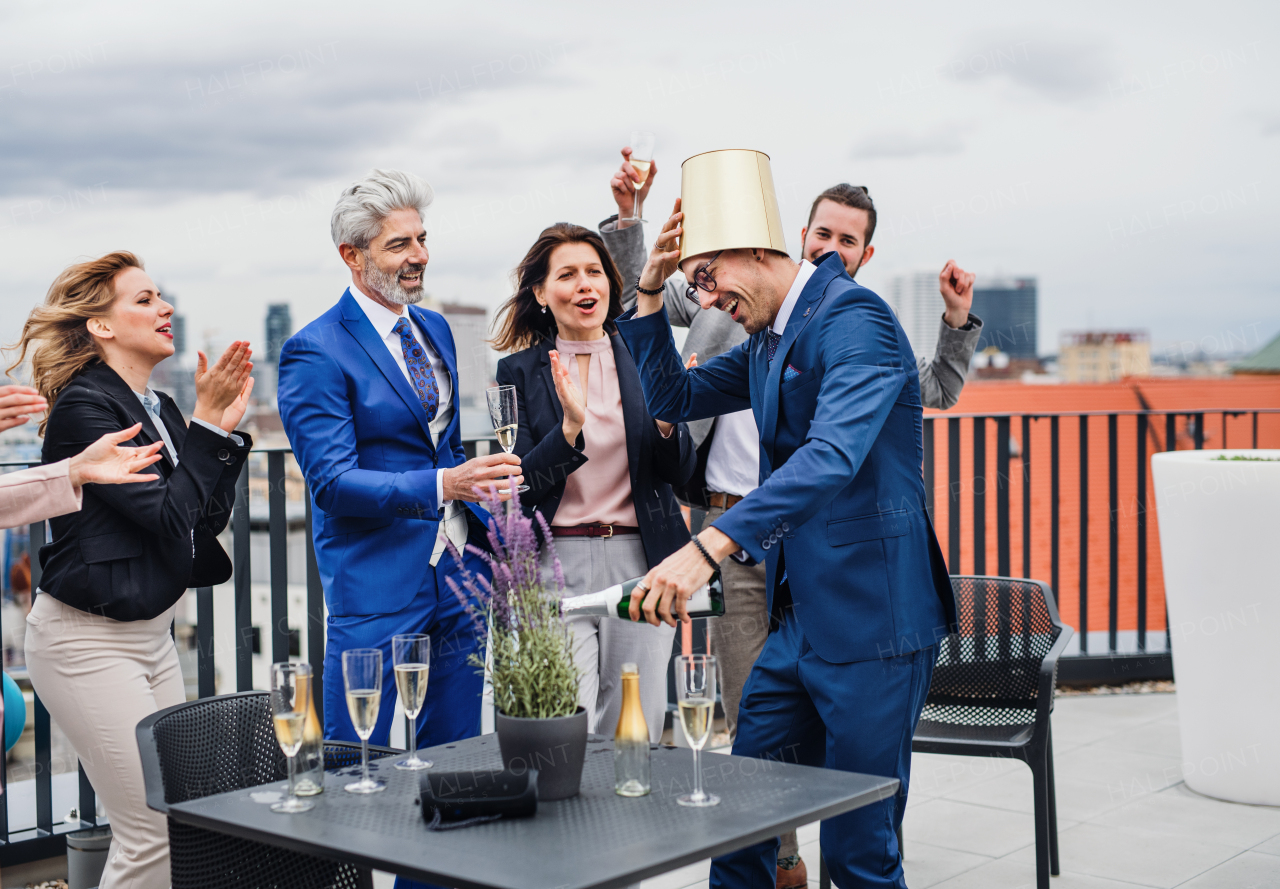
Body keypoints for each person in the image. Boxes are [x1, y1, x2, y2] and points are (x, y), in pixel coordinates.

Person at [603, 151, 979, 887]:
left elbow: (833, 454)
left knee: (856, 851)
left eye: (710, 277)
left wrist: (708, 544)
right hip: (799, 621)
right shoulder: (766, 339)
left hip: (875, 624)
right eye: (696, 283)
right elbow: (673, 396)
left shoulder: (857, 319)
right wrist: (650, 291)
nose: (707, 299)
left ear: (756, 246)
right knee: (739, 822)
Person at [15, 251, 253, 889]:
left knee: (176, 823)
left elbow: (203, 519)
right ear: (101, 326)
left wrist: (221, 436)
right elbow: (169, 519)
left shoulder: (160, 409)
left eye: (160, 297)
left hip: (152, 640)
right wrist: (204, 426)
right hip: (85, 644)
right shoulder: (85, 409)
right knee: (150, 833)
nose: (164, 307)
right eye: (144, 299)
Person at [277, 170, 522, 783]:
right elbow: (332, 483)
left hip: (460, 573)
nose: (419, 257)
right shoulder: (316, 350)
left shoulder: (434, 328)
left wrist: (473, 499)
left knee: (455, 762)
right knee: (353, 770)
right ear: (351, 256)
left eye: (421, 239)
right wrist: (447, 485)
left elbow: (435, 440)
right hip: (376, 585)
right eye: (399, 245)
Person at [491, 223, 695, 740]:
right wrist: (569, 429)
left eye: (595, 272)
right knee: (563, 726)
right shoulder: (517, 372)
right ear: (541, 292)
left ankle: (631, 822)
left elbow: (684, 476)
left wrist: (670, 421)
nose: (586, 285)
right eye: (568, 274)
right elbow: (520, 490)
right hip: (553, 565)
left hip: (641, 562)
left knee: (637, 726)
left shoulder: (645, 352)